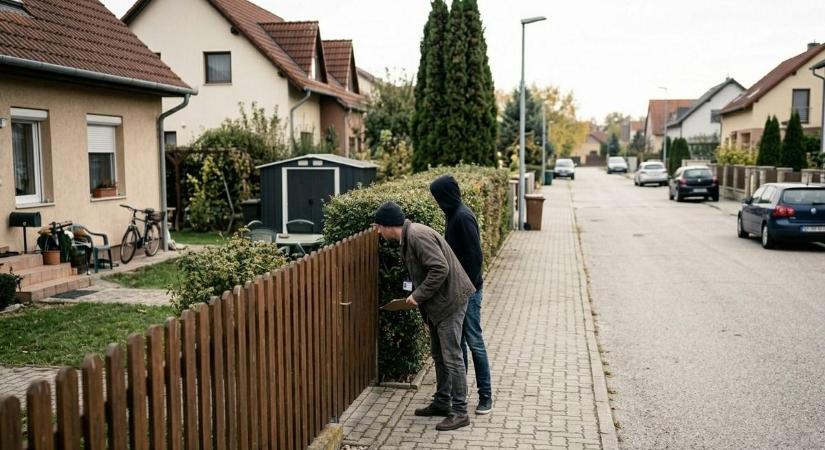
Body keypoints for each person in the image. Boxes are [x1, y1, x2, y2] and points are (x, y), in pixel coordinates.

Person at [373, 201, 476, 431]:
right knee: (439, 355)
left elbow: (440, 268)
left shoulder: (417, 236)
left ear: (390, 225)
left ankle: (460, 412)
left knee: (452, 356)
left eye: (379, 227)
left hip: (451, 301)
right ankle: (442, 402)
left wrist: (418, 296)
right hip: (440, 303)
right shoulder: (410, 236)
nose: (378, 232)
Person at [430, 175, 493, 415]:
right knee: (460, 343)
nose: (436, 202)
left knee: (474, 341)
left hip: (469, 291)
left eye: (437, 197)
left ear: (445, 195)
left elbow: (474, 258)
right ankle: (461, 392)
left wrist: (466, 290)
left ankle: (485, 395)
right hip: (460, 290)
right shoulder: (452, 215)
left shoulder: (462, 218)